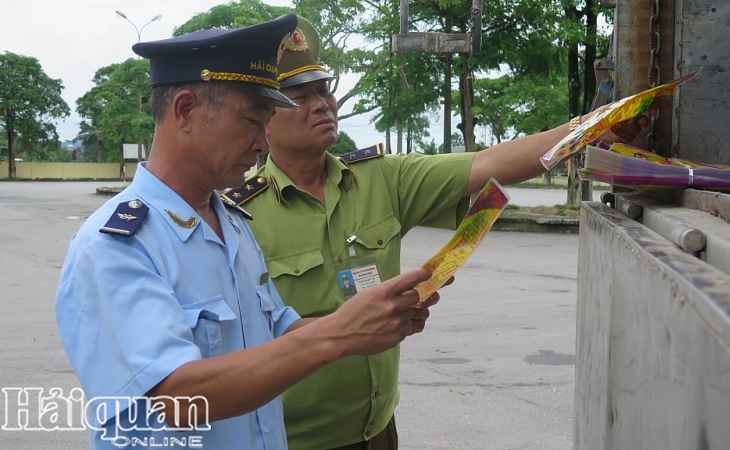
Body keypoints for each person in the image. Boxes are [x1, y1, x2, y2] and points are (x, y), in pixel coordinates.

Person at [222, 16, 660, 450]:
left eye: (324, 88)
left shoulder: (380, 178)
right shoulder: (239, 216)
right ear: (263, 115)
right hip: (293, 440)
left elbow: (490, 163)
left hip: (379, 431)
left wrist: (590, 127)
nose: (322, 103)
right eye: (300, 96)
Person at [54, 15, 434, 450]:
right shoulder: (117, 245)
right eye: (253, 121)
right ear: (185, 111)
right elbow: (175, 398)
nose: (263, 143)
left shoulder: (232, 223)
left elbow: (277, 332)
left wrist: (371, 319)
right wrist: (336, 335)